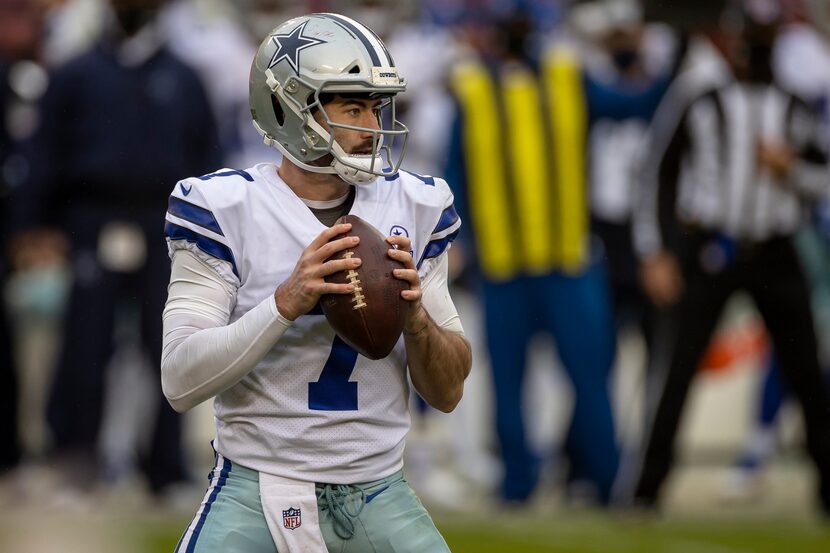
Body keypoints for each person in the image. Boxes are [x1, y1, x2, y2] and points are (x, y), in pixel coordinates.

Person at [162, 13, 471, 553]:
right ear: (287, 109)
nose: (372, 127)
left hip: (379, 490)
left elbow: (447, 392)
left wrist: (416, 320)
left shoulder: (417, 204)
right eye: (352, 108)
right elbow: (180, 380)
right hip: (254, 488)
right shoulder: (223, 207)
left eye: (375, 108)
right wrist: (286, 302)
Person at [11, 0, 220, 494]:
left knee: (168, 346)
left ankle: (165, 470)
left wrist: (211, 236)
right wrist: (35, 226)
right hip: (90, 221)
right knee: (84, 346)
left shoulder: (185, 78)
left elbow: (208, 159)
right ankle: (75, 462)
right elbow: (42, 153)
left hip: (166, 226)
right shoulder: (77, 74)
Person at [628, 7, 830, 513]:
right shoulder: (700, 96)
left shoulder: (793, 104)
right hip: (712, 249)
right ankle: (645, 491)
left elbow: (821, 178)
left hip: (776, 247)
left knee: (806, 370)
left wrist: (791, 167)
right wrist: (655, 252)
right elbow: (656, 171)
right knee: (678, 370)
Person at [444, 7, 619, 505]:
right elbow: (456, 173)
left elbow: (628, 107)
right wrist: (459, 240)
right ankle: (517, 483)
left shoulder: (568, 75)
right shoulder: (474, 89)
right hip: (505, 263)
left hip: (566, 259)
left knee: (588, 373)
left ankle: (606, 480)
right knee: (509, 381)